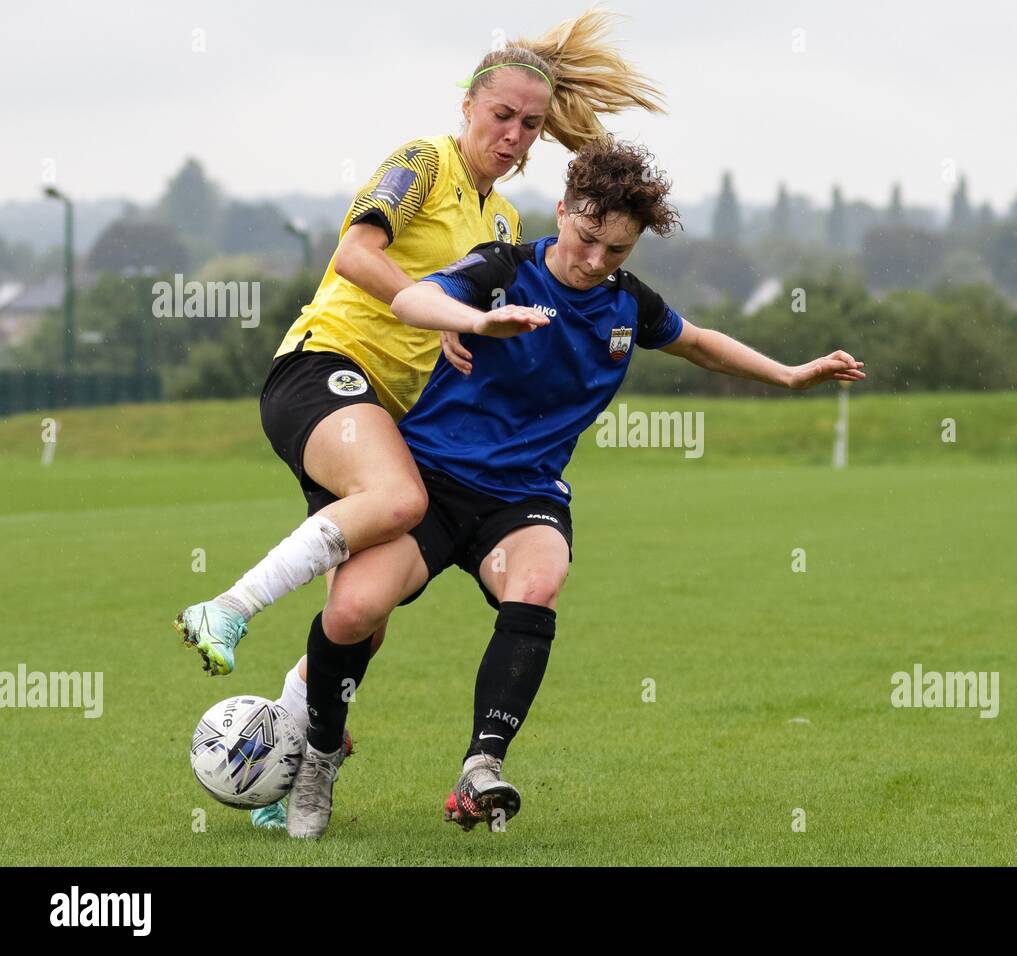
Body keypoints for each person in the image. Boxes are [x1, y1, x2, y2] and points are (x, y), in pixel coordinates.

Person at [282, 139, 866, 839]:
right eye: (587, 238)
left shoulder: (628, 308)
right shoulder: (503, 269)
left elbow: (699, 341)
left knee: (540, 577)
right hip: (430, 481)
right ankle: (319, 754)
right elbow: (427, 293)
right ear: (562, 211)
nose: (595, 261)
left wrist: (789, 374)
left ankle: (481, 767)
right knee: (351, 615)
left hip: (522, 497)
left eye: (616, 250)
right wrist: (465, 320)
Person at [172, 8, 666, 683]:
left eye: (529, 125)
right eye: (500, 115)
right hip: (327, 367)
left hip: (392, 416)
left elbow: (483, 333)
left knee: (359, 621)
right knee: (402, 501)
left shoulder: (503, 219)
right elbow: (352, 252)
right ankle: (227, 607)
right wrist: (437, 312)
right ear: (468, 104)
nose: (513, 134)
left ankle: (282, 758)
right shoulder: (422, 162)